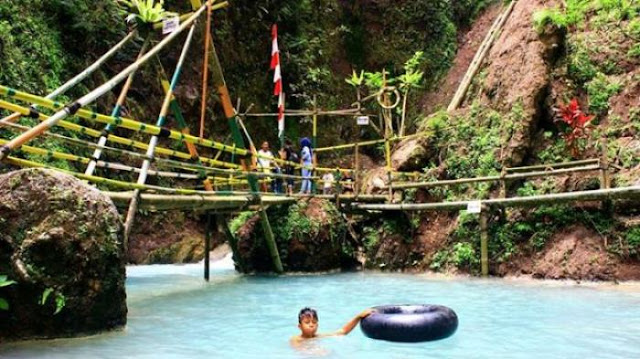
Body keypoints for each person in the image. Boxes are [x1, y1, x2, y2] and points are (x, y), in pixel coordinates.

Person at [290, 307, 374, 345]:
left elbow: (342, 332)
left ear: (317, 325)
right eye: (307, 322)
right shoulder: (296, 339)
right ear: (300, 326)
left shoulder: (319, 336)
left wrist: (359, 316)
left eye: (314, 322)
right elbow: (300, 352)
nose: (311, 324)